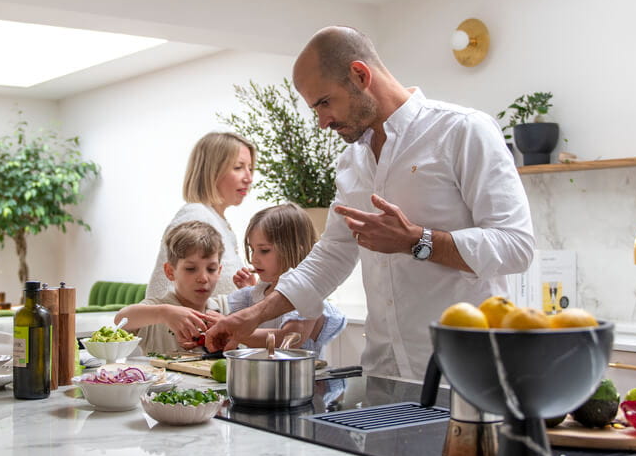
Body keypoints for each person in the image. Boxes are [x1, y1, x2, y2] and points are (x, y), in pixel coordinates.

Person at [204, 26, 535, 379]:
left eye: (324, 102)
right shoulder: (352, 163)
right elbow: (332, 255)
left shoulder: (463, 131)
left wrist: (416, 241)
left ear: (360, 75)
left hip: (467, 374)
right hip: (384, 373)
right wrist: (253, 314)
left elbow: (516, 245)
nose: (322, 121)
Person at [204, 203, 346, 353]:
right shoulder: (254, 294)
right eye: (252, 250)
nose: (254, 259)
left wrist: (234, 331)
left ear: (296, 249)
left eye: (264, 250)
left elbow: (288, 340)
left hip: (304, 376)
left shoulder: (306, 298)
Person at [145, 132, 257, 300]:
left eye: (250, 168)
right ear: (212, 171)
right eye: (238, 167)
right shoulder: (196, 216)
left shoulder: (219, 222)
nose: (249, 178)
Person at [121, 221, 229, 356]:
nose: (203, 278)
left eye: (211, 269)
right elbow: (121, 320)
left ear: (219, 271)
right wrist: (163, 313)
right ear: (170, 271)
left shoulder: (224, 308)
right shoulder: (157, 308)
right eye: (191, 269)